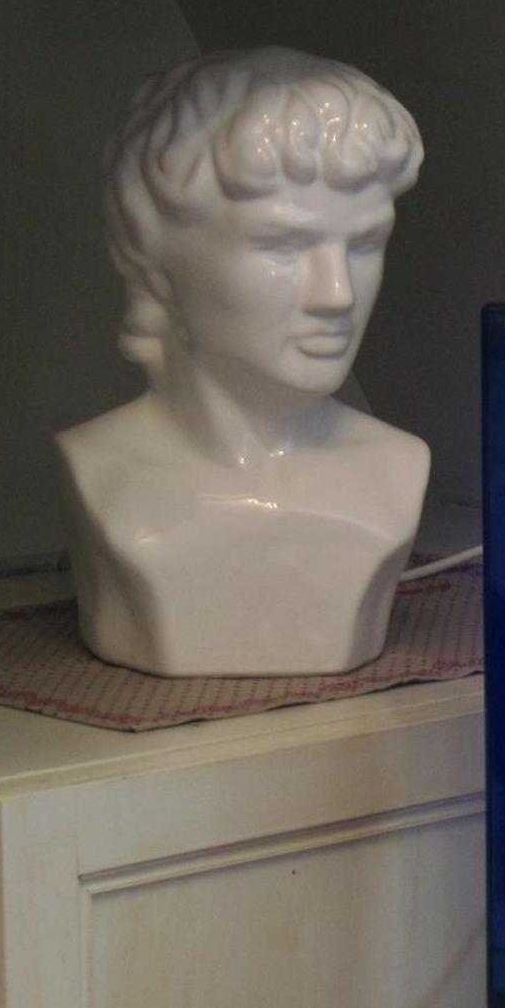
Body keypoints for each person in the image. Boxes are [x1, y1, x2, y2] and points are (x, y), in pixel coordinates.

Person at [56, 48, 429, 676]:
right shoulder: (99, 470)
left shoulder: (398, 468)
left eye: (365, 244)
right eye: (282, 245)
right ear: (153, 260)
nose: (337, 294)